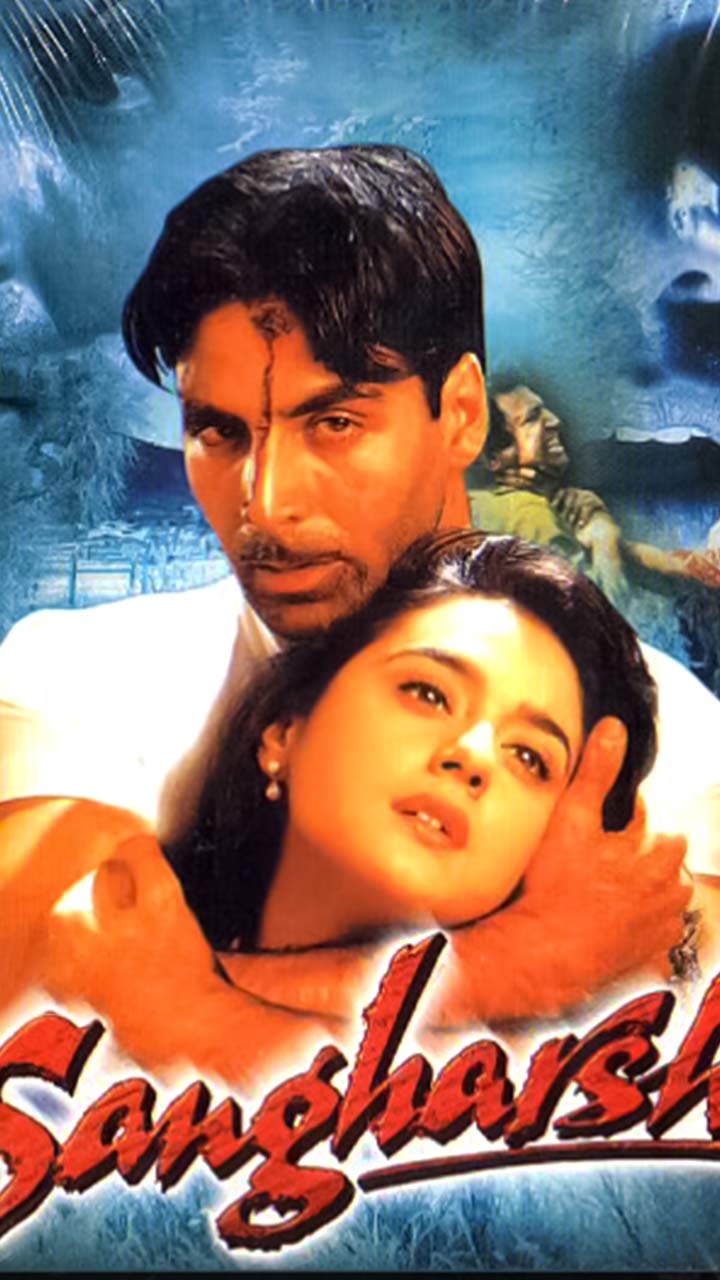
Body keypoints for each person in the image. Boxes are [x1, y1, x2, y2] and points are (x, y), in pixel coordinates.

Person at [0, 145, 716, 1026]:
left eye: (333, 422)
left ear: (461, 413)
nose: (266, 504)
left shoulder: (676, 746)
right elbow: (44, 985)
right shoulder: (73, 680)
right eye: (220, 432)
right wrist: (494, 973)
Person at [26, 532, 692, 1082]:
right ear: (286, 731)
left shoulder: (599, 1076)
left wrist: (189, 1007)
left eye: (529, 757)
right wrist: (496, 969)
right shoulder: (95, 878)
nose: (473, 754)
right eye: (428, 693)